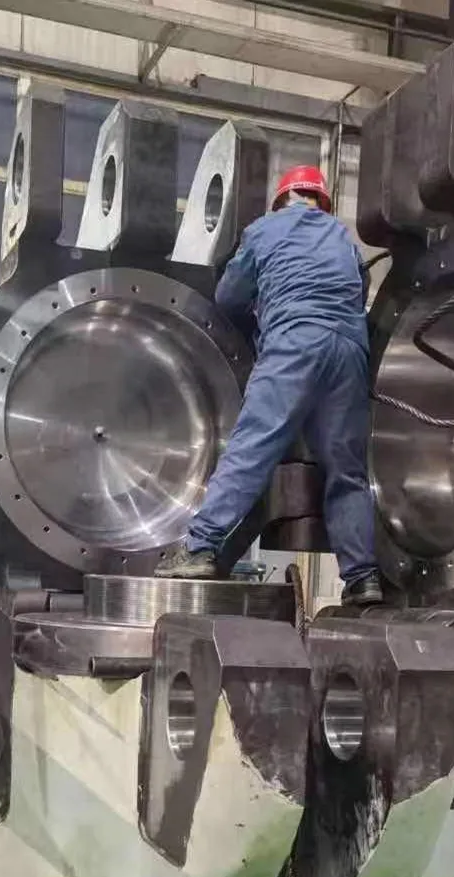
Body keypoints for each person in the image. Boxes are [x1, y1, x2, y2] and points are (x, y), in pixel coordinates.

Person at [154, 166, 385, 606]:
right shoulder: (344, 239)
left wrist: (257, 323)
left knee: (253, 446)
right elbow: (360, 290)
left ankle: (200, 547)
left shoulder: (264, 230)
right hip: (349, 355)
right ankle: (362, 578)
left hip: (294, 343)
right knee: (346, 469)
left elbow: (229, 296)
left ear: (281, 200)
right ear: (321, 202)